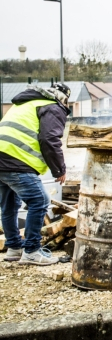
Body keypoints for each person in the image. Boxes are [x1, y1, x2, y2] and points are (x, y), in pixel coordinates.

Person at [0, 82, 70, 266]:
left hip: (2, 157)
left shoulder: (25, 103)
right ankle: (31, 251)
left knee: (9, 205)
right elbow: (49, 139)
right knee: (39, 201)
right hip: (16, 159)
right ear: (63, 98)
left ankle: (14, 248)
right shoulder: (52, 106)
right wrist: (59, 169)